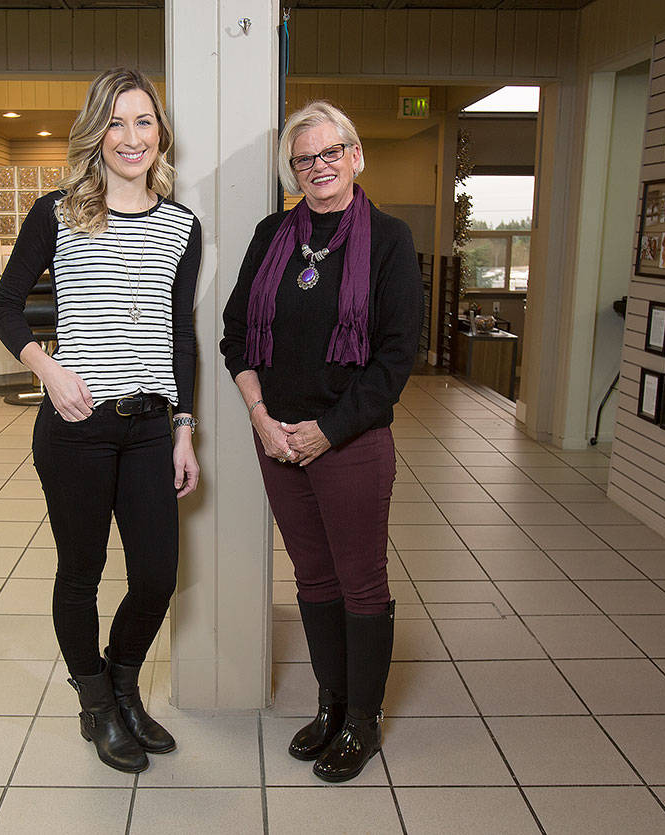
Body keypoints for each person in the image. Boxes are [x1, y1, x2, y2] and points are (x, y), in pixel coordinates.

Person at [0, 67, 201, 774]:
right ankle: (95, 706)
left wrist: (183, 427)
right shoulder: (58, 213)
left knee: (158, 576)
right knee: (81, 571)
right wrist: (46, 369)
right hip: (76, 427)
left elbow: (181, 335)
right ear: (96, 133)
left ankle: (121, 681)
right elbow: (4, 307)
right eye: (116, 122)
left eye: (143, 121)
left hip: (148, 427)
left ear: (159, 133)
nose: (131, 137)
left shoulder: (181, 226)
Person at [220, 100, 421, 783]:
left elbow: (396, 360)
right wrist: (259, 415)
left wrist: (326, 431)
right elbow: (235, 335)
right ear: (293, 170)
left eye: (331, 153)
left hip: (351, 442)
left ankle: (364, 720)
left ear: (356, 156)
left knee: (360, 580)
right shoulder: (271, 235)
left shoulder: (389, 241)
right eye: (304, 158)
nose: (319, 167)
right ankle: (331, 705)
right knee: (312, 577)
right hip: (277, 440)